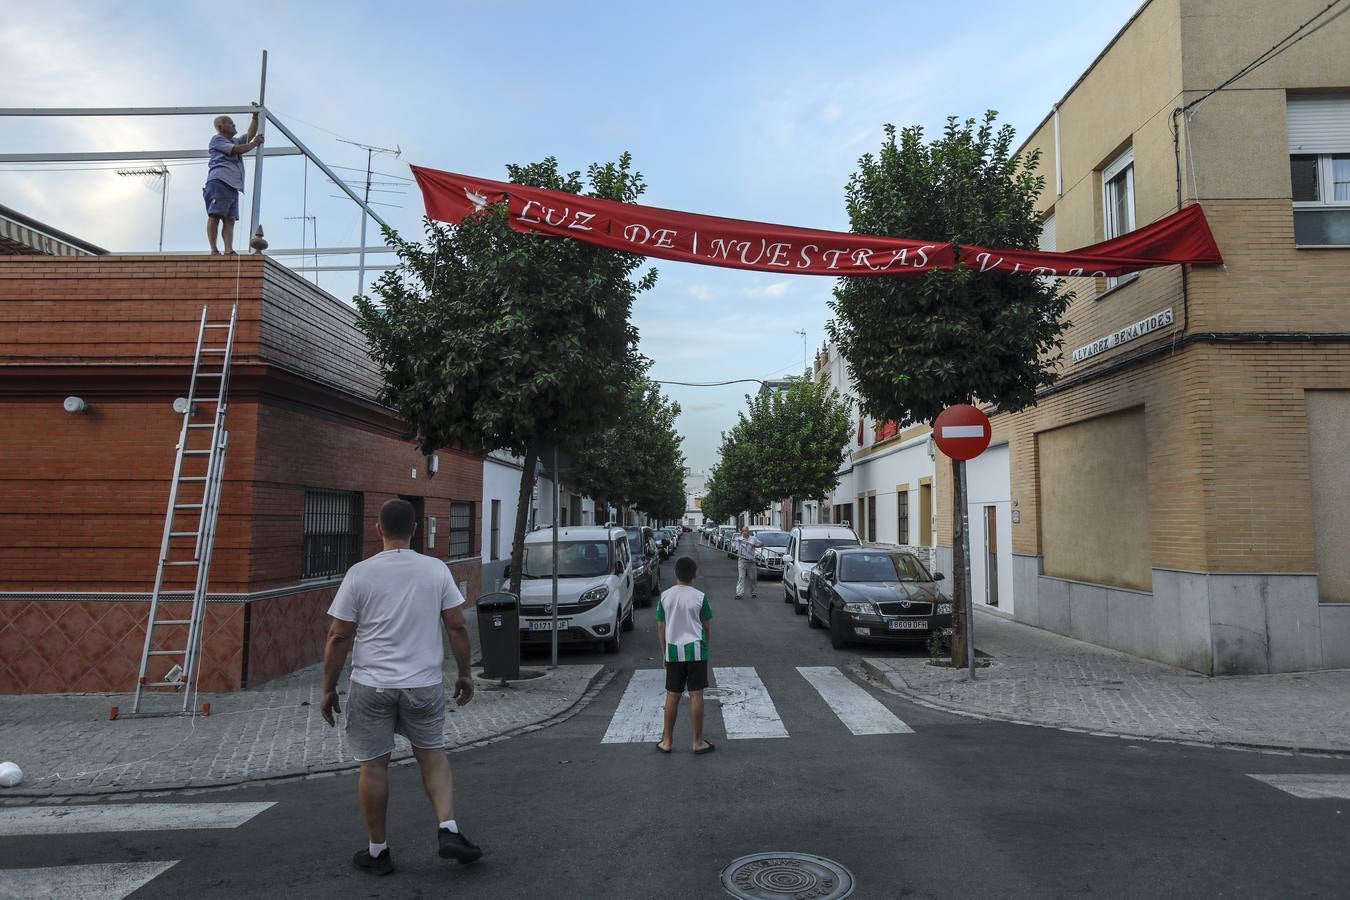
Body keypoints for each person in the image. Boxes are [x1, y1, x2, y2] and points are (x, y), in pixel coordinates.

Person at [320, 498, 482, 876]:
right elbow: (456, 625)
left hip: (371, 685)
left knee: (373, 766)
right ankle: (448, 829)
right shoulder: (436, 570)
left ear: (377, 529)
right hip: (423, 684)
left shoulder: (359, 574)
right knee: (433, 755)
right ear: (415, 529)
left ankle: (378, 851)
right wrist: (464, 672)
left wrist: (328, 687)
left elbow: (338, 635)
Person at [655, 555, 714, 754]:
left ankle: (667, 741)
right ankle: (697, 742)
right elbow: (706, 625)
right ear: (694, 575)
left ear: (675, 573)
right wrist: (706, 645)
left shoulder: (665, 597)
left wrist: (664, 653)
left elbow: (661, 627)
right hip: (696, 651)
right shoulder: (700, 597)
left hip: (673, 652)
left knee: (672, 696)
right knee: (697, 695)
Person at [204, 108, 263, 255]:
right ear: (221, 127)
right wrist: (255, 143)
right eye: (230, 123)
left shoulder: (234, 140)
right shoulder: (217, 139)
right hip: (219, 181)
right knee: (215, 215)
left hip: (232, 185)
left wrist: (255, 117)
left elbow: (249, 136)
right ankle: (214, 249)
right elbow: (239, 149)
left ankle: (228, 250)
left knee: (229, 219)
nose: (233, 125)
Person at [733, 526, 762, 599]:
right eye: (743, 531)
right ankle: (739, 594)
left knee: (752, 578)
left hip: (751, 561)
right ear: (741, 532)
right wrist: (739, 548)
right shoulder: (738, 539)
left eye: (746, 531)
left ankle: (753, 592)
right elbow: (736, 549)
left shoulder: (753, 538)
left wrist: (755, 545)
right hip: (742, 560)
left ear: (748, 531)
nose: (744, 532)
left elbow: (761, 544)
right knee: (741, 577)